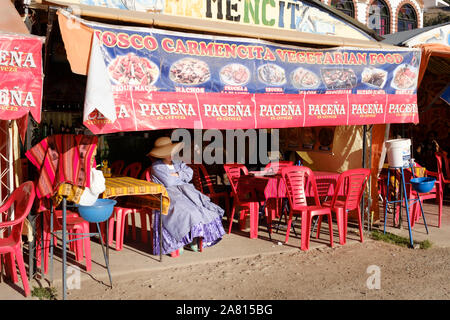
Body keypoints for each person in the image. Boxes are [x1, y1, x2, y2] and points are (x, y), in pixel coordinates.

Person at [149, 137, 225, 257]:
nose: (171, 155)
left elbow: (189, 173)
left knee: (204, 209)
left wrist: (177, 174)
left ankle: (197, 239)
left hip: (187, 191)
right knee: (188, 212)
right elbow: (168, 182)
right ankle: (184, 240)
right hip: (170, 194)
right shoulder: (157, 167)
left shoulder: (178, 163)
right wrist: (180, 176)